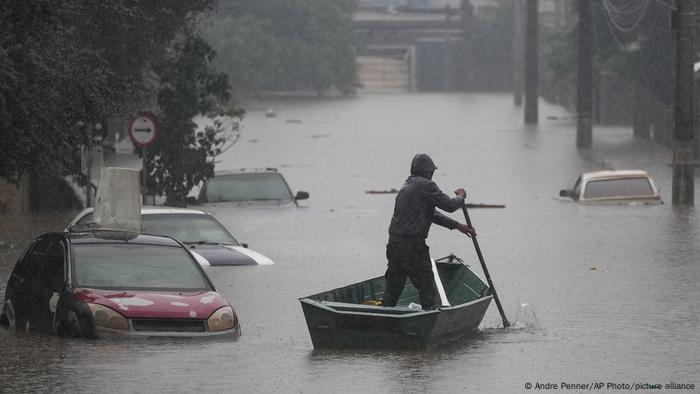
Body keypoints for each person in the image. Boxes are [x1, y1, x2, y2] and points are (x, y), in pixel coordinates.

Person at [382, 153, 476, 310]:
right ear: (428, 172)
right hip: (413, 246)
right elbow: (450, 205)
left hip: (394, 244)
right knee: (426, 287)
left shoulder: (407, 186)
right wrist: (461, 196)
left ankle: (382, 320)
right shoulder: (426, 185)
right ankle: (429, 320)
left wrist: (458, 226)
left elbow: (430, 214)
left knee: (393, 288)